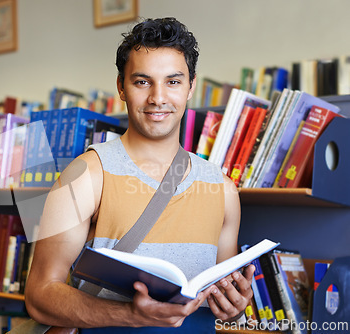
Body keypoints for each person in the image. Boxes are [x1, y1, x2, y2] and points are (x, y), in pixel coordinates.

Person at [25, 17, 254, 333]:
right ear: (121, 87)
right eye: (142, 81)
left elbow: (222, 301)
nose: (158, 98)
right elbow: (39, 296)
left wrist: (234, 309)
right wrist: (131, 314)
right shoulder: (86, 175)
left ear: (191, 87)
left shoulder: (224, 190)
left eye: (173, 81)